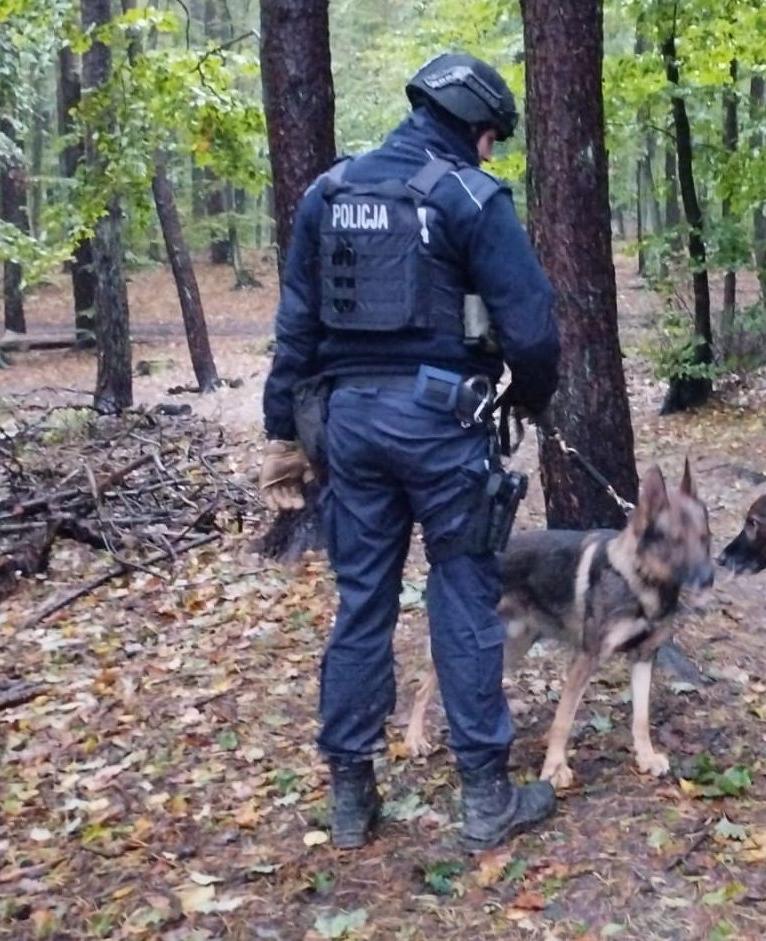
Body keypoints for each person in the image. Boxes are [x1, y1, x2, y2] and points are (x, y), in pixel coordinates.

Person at [258, 53, 561, 851]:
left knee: (362, 601)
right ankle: (486, 798)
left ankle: (352, 799)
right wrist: (529, 396)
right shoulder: (467, 196)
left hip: (348, 430)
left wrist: (283, 431)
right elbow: (531, 326)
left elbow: (296, 326)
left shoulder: (329, 192)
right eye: (492, 138)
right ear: (475, 127)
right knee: (463, 596)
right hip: (440, 427)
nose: (491, 153)